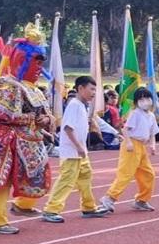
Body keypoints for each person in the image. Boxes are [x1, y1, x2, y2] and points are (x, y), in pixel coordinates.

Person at [0, 25, 53, 233]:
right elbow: (4, 115)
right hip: (6, 143)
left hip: (30, 142)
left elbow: (41, 115)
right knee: (3, 180)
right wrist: (33, 119)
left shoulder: (35, 89)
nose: (39, 67)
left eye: (41, 62)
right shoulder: (7, 86)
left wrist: (44, 120)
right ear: (22, 60)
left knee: (36, 174)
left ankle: (22, 205)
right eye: (36, 61)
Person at [41, 76, 112, 223]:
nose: (94, 93)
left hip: (80, 152)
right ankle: (51, 209)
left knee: (85, 178)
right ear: (80, 88)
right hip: (71, 152)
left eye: (95, 90)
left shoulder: (82, 105)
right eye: (91, 89)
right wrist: (79, 147)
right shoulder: (74, 105)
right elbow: (68, 128)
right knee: (67, 180)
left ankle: (88, 207)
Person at [101, 87, 159, 213]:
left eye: (147, 98)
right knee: (126, 173)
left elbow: (152, 133)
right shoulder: (135, 113)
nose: (145, 102)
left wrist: (153, 145)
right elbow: (125, 129)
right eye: (141, 99)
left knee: (148, 174)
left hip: (142, 146)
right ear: (136, 102)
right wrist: (128, 142)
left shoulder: (151, 116)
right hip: (132, 145)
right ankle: (109, 198)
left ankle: (141, 200)